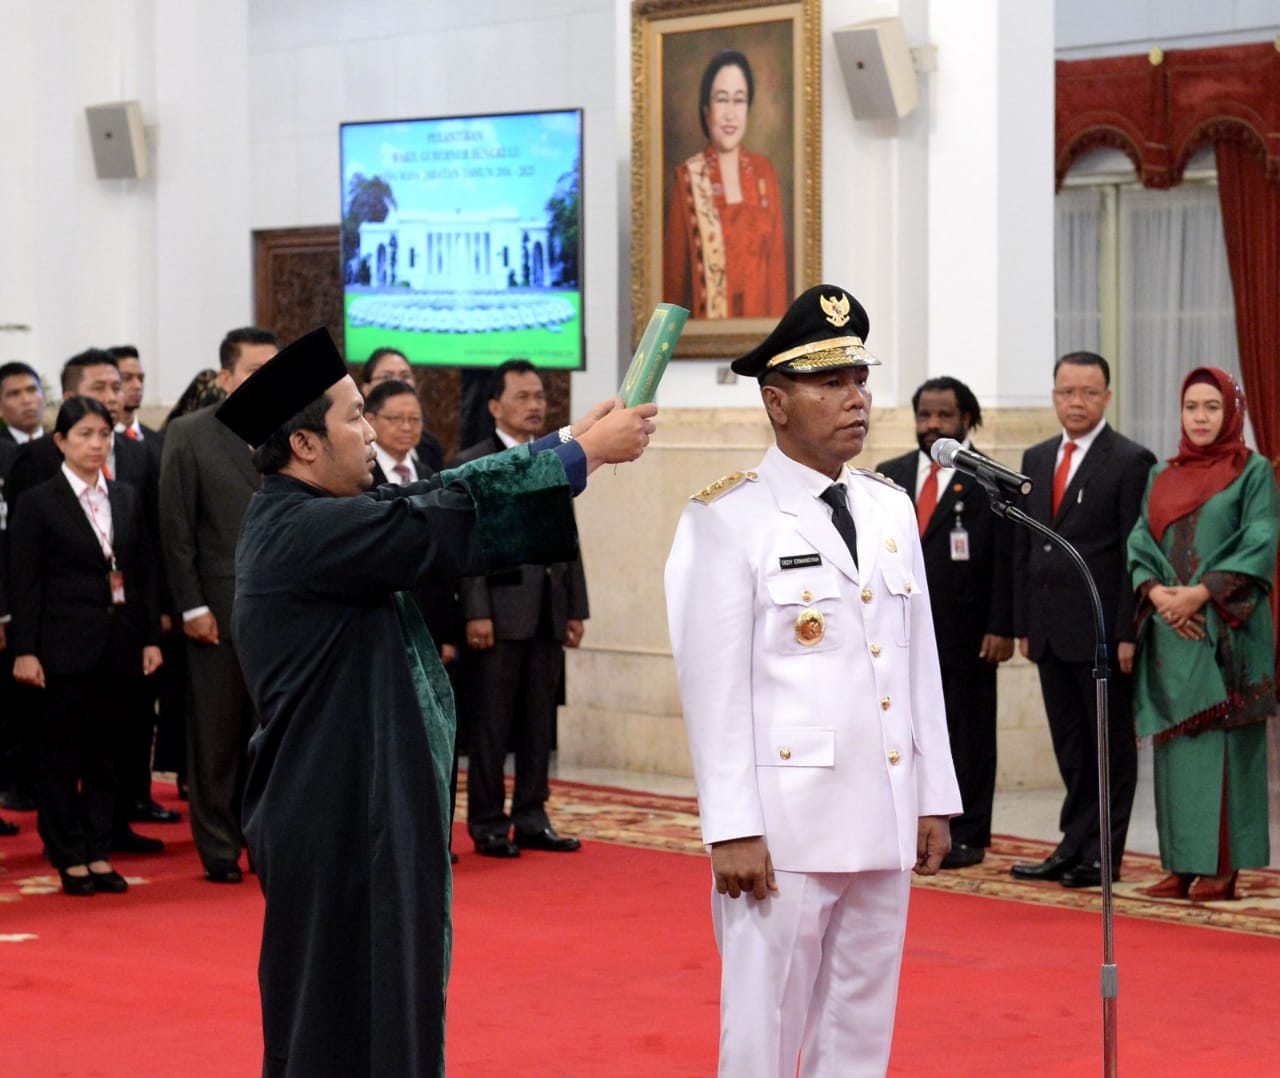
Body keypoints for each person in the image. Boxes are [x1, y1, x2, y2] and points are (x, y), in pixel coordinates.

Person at [218, 326, 655, 1077]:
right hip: (336, 813)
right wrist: (585, 456)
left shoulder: (314, 513)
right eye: (354, 417)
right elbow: (438, 519)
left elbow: (430, 493)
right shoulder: (303, 530)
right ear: (303, 446)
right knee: (340, 1011)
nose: (372, 433)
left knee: (374, 999)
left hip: (356, 804)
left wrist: (568, 439)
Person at [664, 285, 960, 1076]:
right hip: (784, 829)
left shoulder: (891, 507)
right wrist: (730, 824)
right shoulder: (728, 518)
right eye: (830, 384)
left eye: (859, 380)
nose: (855, 399)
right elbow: (712, 686)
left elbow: (917, 659)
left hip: (885, 813)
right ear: (776, 402)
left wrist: (934, 795)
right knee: (766, 1028)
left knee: (860, 1029)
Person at [1127, 367, 1278, 902]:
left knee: (1228, 754)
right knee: (1177, 754)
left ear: (1230, 411)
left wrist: (1201, 593)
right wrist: (1158, 593)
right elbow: (1141, 537)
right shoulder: (1161, 476)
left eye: (1212, 407)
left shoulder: (1253, 471)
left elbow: (1261, 537)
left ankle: (1225, 867)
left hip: (1228, 634)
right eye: (1192, 407)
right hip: (1173, 632)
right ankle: (1181, 865)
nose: (1201, 417)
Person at [1010, 351, 1156, 889]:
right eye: (1066, 392)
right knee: (1071, 748)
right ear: (1054, 396)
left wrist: (1126, 631)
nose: (1076, 402)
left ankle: (1104, 855)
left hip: (1100, 632)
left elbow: (1131, 554)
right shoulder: (1037, 456)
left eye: (1088, 393)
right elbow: (1025, 546)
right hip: (1048, 631)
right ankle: (1072, 845)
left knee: (1108, 751)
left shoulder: (1129, 460)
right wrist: (1023, 621)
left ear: (1107, 398)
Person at [9, 397, 163, 895]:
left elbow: (142, 574)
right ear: (61, 442)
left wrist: (150, 638)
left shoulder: (126, 496)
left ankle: (99, 850)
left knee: (107, 756)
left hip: (119, 644)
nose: (97, 444)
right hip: (59, 647)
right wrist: (25, 650)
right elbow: (25, 582)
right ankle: (68, 853)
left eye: (104, 434)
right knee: (59, 757)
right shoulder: (38, 501)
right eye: (85, 435)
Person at [877, 376, 1014, 868]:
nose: (933, 425)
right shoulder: (887, 476)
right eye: (925, 415)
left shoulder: (987, 478)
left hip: (968, 633)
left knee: (969, 733)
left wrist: (1002, 625)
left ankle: (970, 831)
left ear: (966, 421)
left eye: (944, 416)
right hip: (901, 631)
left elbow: (1006, 560)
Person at [454, 359, 589, 857]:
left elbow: (569, 541)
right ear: (495, 406)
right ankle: (488, 822)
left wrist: (576, 607)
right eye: (523, 397)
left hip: (548, 612)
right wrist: (475, 611)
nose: (535, 406)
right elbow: (464, 545)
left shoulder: (554, 458)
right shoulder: (476, 461)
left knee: (539, 725)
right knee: (491, 726)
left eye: (540, 397)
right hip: (498, 613)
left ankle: (532, 815)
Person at [159, 327, 278, 883]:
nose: (266, 380)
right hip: (218, 609)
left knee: (274, 737)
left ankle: (266, 840)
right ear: (226, 377)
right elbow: (176, 531)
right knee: (217, 738)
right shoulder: (189, 434)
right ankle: (218, 846)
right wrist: (190, 607)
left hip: (285, 610)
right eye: (255, 370)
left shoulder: (296, 426)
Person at [663, 49, 787, 320]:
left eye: (739, 101)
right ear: (707, 110)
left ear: (748, 108)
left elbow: (777, 278)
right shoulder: (687, 178)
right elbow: (672, 289)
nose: (730, 114)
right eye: (722, 100)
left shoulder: (765, 172)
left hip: (765, 348)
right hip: (705, 345)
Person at [0, 361, 47, 819]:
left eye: (31, 390)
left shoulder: (61, 447)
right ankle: (12, 781)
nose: (27, 399)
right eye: (14, 394)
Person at [359, 345, 444, 472]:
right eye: (386, 377)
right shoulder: (355, 448)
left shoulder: (429, 447)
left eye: (405, 376)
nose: (397, 383)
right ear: (366, 388)